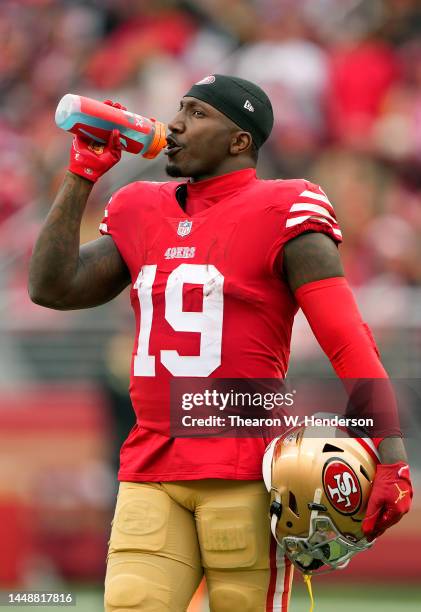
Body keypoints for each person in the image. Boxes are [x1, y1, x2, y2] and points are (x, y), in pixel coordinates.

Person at [29, 74, 413, 612]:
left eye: (198, 113)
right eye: (179, 107)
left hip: (245, 465)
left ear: (240, 141)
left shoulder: (286, 207)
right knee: (132, 603)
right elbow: (52, 287)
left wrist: (390, 454)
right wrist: (81, 174)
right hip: (152, 461)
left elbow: (348, 340)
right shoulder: (140, 205)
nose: (177, 122)